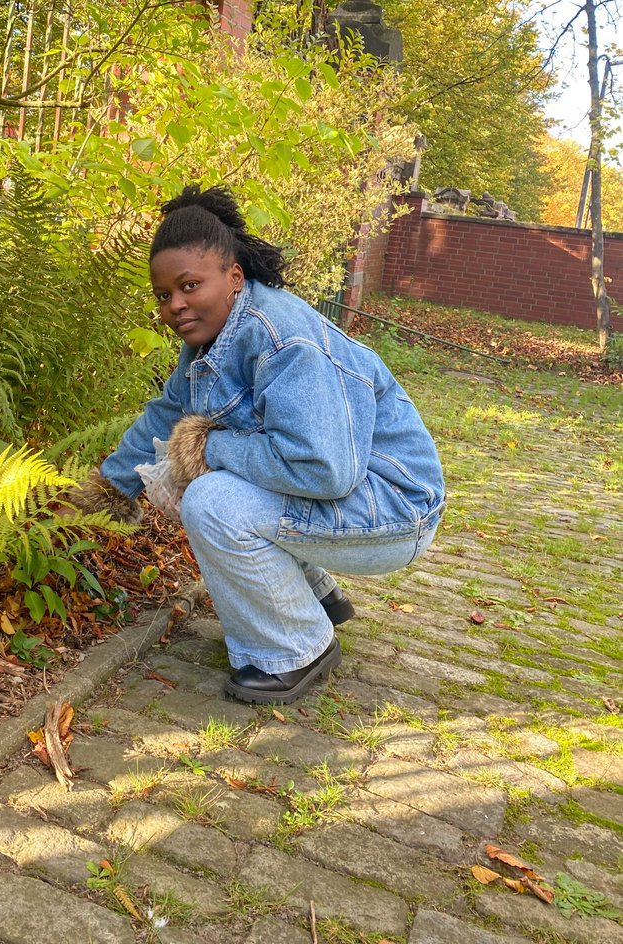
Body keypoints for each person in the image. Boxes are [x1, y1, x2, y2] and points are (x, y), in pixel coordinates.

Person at [71, 185, 445, 704]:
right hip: (358, 500)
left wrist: (208, 450)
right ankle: (315, 599)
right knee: (201, 480)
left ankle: (297, 648)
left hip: (397, 511)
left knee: (211, 498)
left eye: (189, 285)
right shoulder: (217, 336)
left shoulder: (282, 340)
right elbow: (165, 415)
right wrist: (105, 490)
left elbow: (324, 471)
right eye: (164, 295)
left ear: (234, 277)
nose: (175, 305)